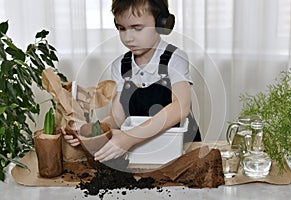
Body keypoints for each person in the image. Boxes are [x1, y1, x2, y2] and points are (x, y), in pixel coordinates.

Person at [63, 0, 201, 163]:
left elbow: (180, 108)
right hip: (142, 152)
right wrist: (89, 132)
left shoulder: (174, 58)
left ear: (161, 23)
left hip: (181, 147)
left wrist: (129, 138)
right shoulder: (120, 66)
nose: (128, 38)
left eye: (137, 28)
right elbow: (117, 117)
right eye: (122, 28)